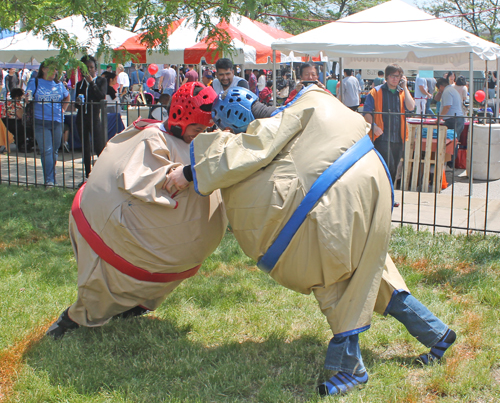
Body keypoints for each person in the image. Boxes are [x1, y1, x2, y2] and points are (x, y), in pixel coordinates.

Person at [166, 85, 456, 397]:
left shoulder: (270, 127)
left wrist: (188, 172)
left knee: (328, 274)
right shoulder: (308, 105)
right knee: (370, 269)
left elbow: (246, 151)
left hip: (336, 198)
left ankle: (350, 368)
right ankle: (435, 332)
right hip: (374, 186)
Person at [46, 81, 227, 339]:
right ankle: (73, 319)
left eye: (204, 129)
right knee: (104, 281)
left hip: (163, 258)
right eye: (196, 129)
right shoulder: (153, 138)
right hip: (115, 236)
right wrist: (183, 175)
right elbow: (141, 178)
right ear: (178, 117)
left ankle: (136, 304)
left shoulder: (192, 144)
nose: (199, 135)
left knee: (147, 281)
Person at [363, 64, 415, 183]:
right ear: (387, 77)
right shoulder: (375, 91)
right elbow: (367, 113)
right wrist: (374, 126)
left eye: (398, 76)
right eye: (392, 76)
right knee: (387, 166)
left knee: (394, 169)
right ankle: (385, 197)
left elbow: (411, 107)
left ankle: (389, 197)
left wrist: (405, 87)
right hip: (381, 136)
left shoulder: (402, 92)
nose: (395, 79)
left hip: (398, 137)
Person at [26, 60, 70, 186]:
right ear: (44, 69)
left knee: (54, 151)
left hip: (57, 121)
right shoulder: (35, 82)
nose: (55, 72)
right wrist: (27, 98)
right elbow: (28, 96)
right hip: (41, 121)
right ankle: (49, 180)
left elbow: (67, 96)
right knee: (47, 150)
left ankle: (51, 176)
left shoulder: (59, 84)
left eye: (56, 69)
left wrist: (63, 109)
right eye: (52, 69)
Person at [75, 55, 108, 182]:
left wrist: (92, 83)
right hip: (82, 118)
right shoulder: (79, 84)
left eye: (91, 67)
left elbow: (101, 96)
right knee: (85, 148)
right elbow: (77, 104)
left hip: (95, 118)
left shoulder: (101, 81)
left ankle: (101, 175)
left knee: (99, 146)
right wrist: (78, 101)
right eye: (86, 68)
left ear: (95, 68)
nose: (89, 70)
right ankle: (87, 175)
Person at [436, 77, 465, 169]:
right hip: (455, 119)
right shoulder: (451, 90)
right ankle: (450, 162)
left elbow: (447, 106)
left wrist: (439, 118)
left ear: (440, 86)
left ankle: (450, 163)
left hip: (453, 119)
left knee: (451, 141)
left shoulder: (447, 91)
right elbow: (436, 99)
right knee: (453, 141)